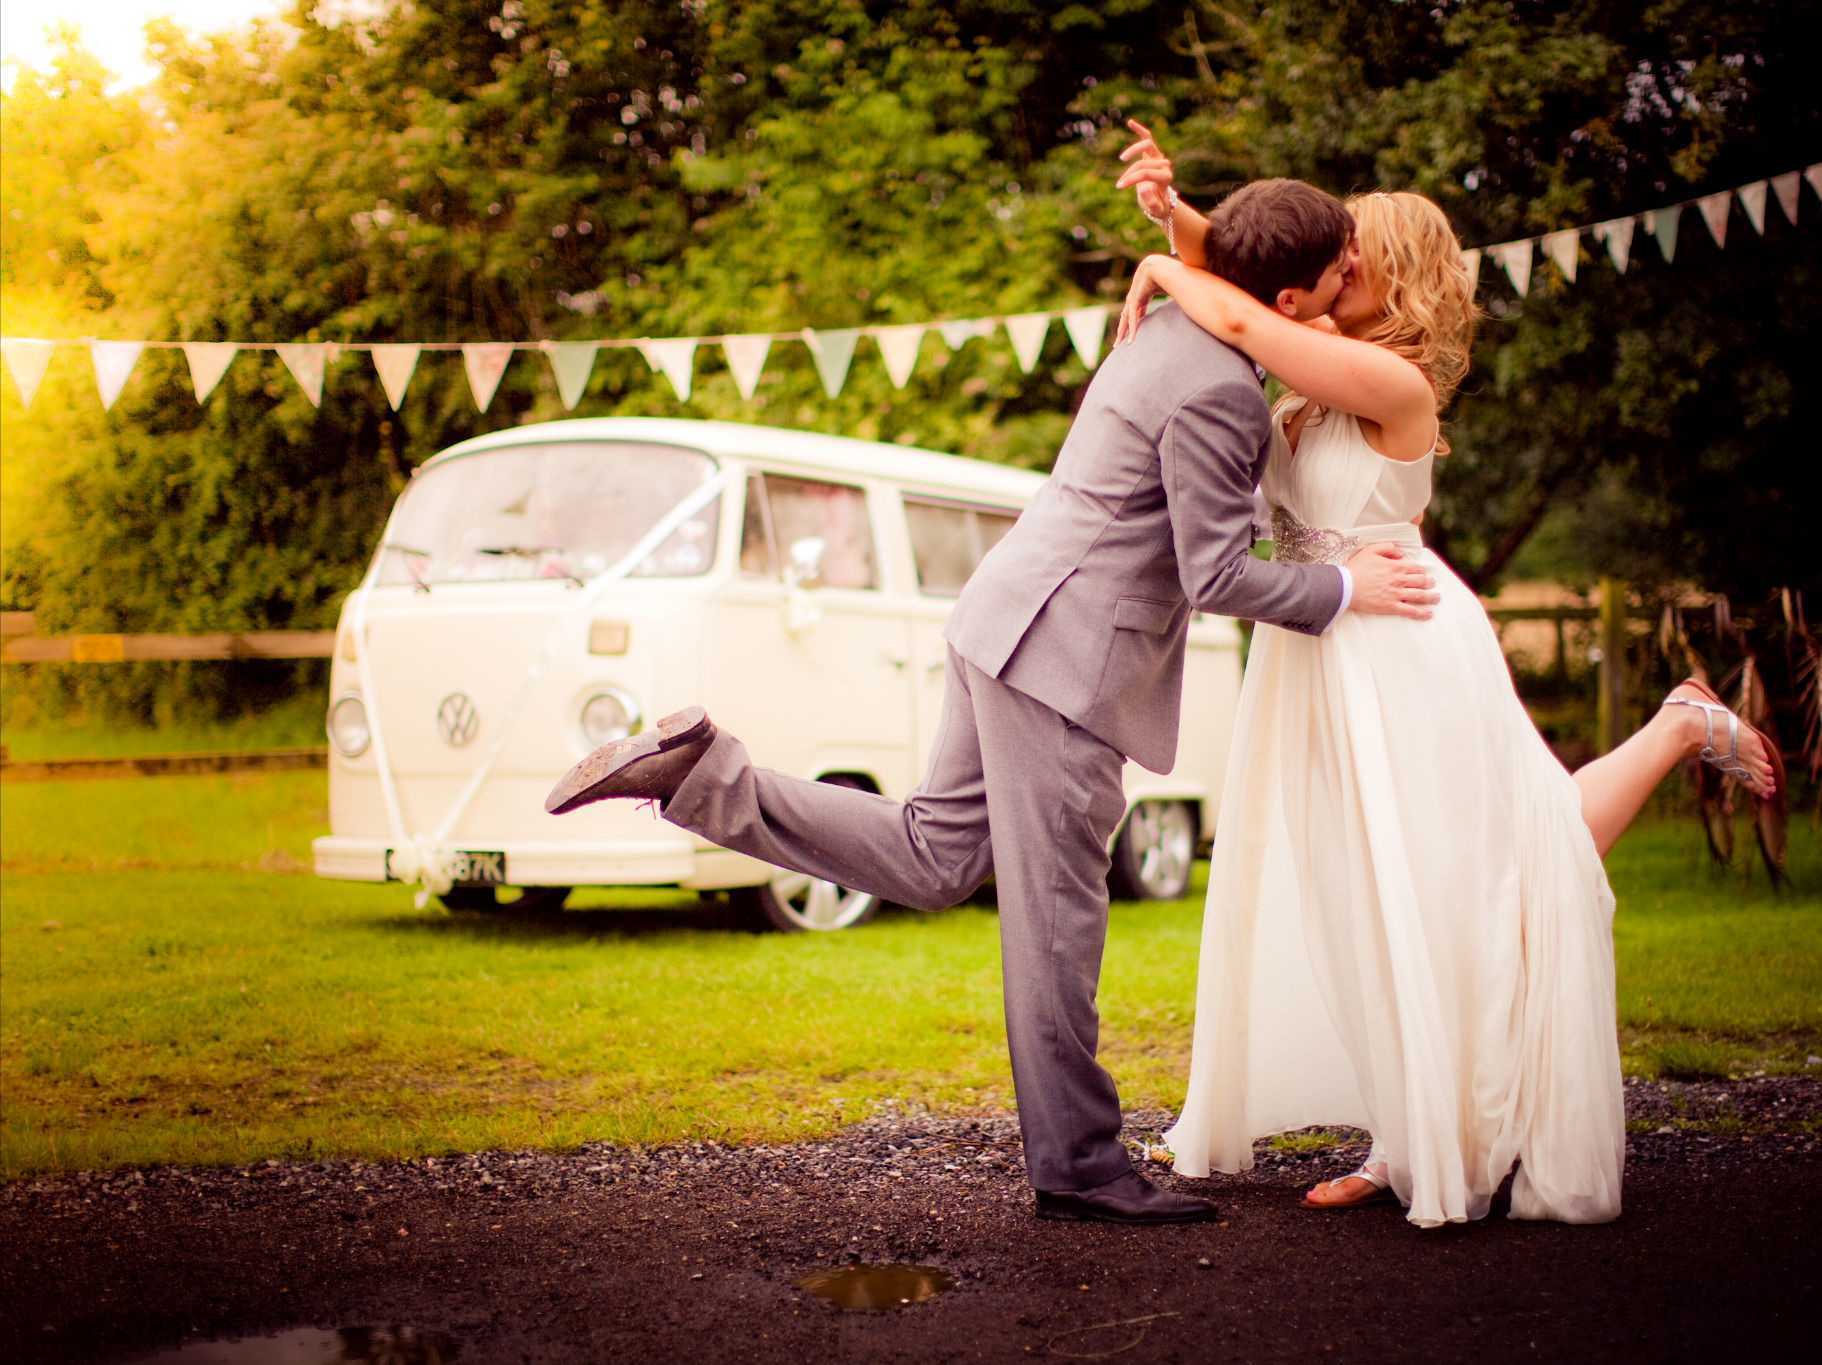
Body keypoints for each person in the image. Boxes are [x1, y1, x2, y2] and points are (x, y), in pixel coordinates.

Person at [542, 177, 1444, 1226]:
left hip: (1008, 618)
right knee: (1058, 922)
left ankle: (699, 773)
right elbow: (1214, 578)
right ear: (1286, 301)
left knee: (934, 858)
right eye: (1338, 264)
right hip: (1064, 663)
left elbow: (1218, 268)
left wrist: (1165, 229)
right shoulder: (1222, 392)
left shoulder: (1171, 329)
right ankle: (1083, 1168)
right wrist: (1345, 587)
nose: (1353, 274)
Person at [1114, 124, 1782, 1226]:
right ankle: (1410, 1121)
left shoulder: (1388, 380)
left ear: (1382, 274)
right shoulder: (1322, 359)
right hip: (1322, 648)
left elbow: (1234, 305)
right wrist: (1175, 216)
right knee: (1370, 895)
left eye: (1348, 255)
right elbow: (1253, 284)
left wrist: (1159, 262)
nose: (1329, 269)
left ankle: (1670, 731)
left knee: (1466, 884)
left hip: (1402, 651)